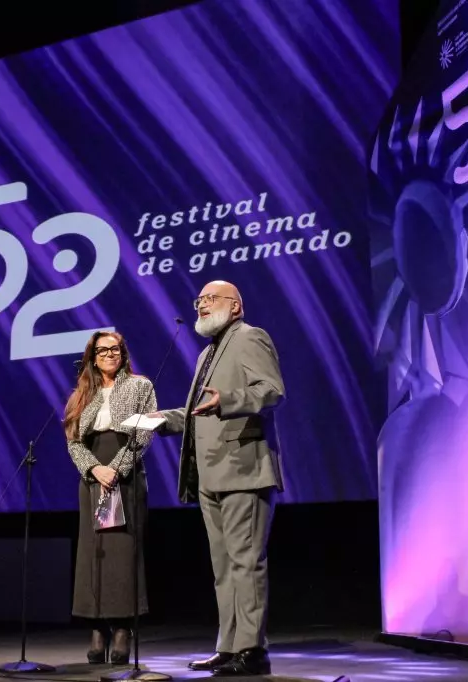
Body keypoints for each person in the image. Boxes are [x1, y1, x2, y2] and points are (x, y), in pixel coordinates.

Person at [150, 280, 285, 676]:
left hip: (244, 470)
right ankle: (228, 647)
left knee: (245, 563)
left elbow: (272, 390)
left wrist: (228, 400)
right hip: (211, 475)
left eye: (211, 299)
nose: (202, 305)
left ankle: (252, 650)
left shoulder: (249, 338)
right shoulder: (207, 354)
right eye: (199, 300)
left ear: (236, 307)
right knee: (223, 568)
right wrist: (161, 420)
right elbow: (198, 411)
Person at [64, 330, 157, 665]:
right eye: (102, 350)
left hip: (126, 472)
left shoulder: (140, 386)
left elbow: (144, 433)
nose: (109, 354)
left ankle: (121, 629)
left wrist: (116, 468)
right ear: (92, 356)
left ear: (123, 353)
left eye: (115, 349)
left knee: (122, 552)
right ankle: (96, 628)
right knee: (94, 552)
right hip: (92, 477)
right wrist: (94, 470)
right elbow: (74, 441)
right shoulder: (80, 395)